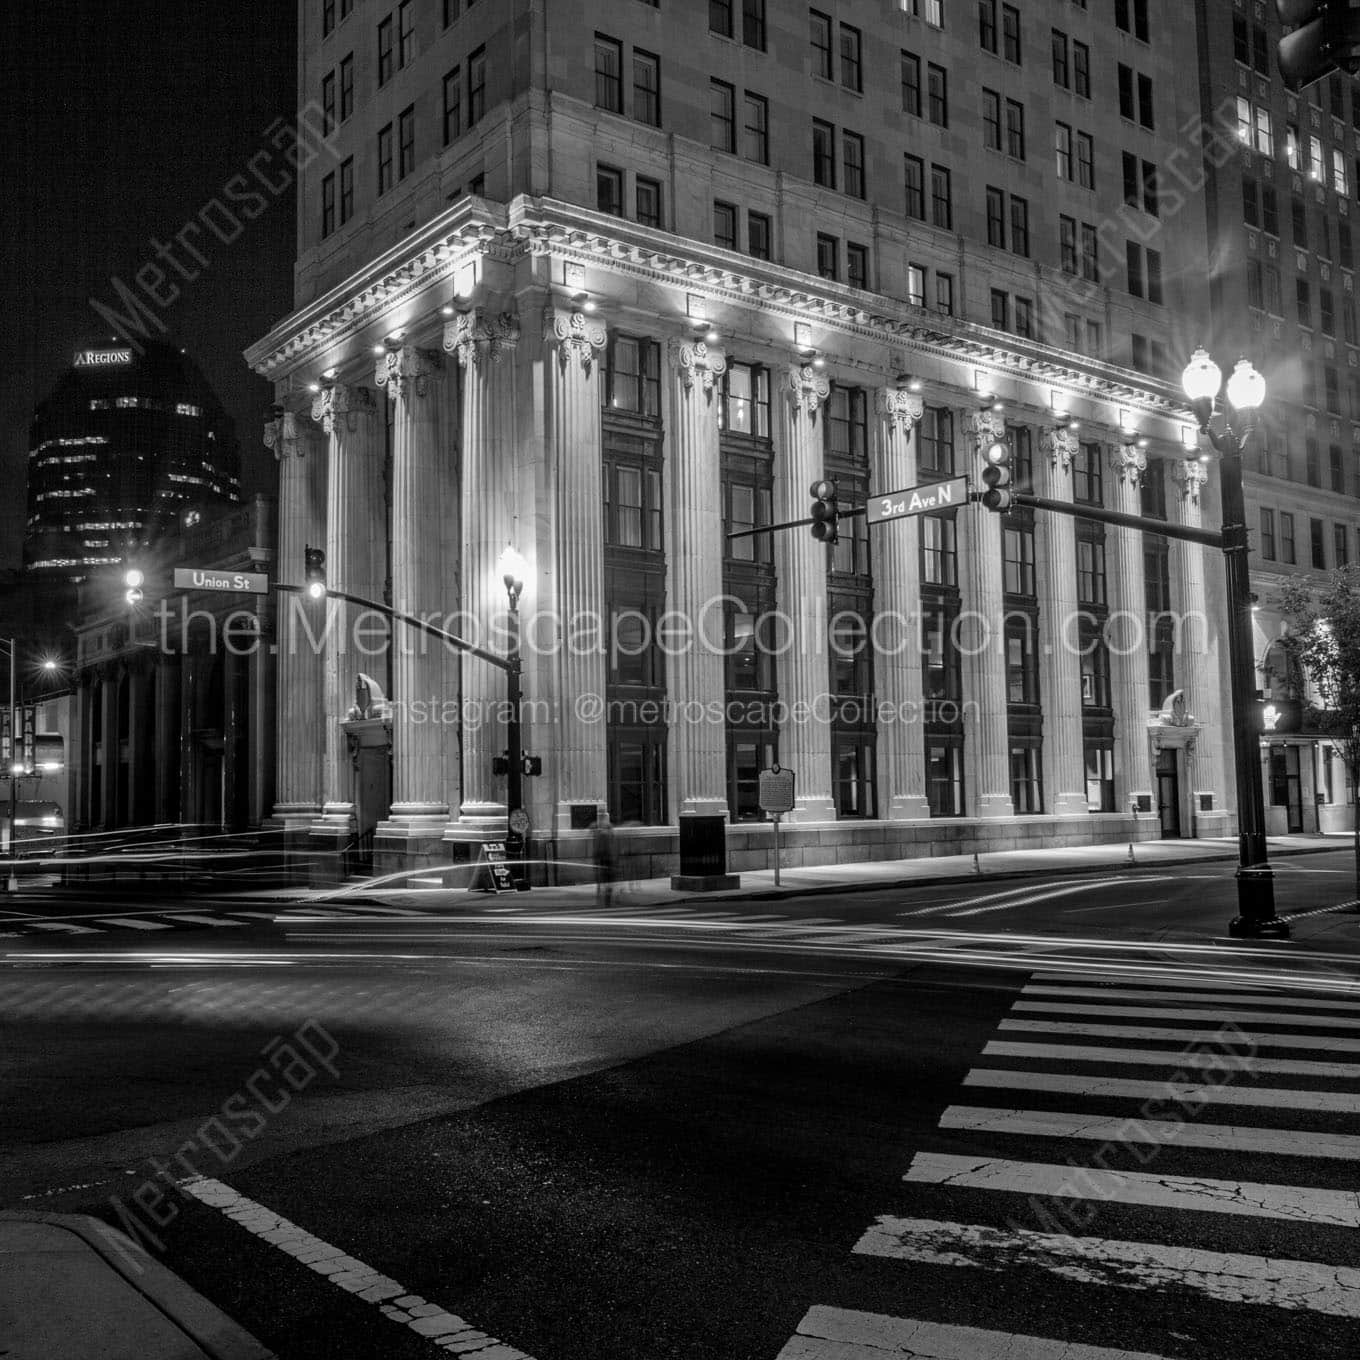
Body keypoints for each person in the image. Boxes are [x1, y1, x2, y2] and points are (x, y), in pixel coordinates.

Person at [592, 818, 618, 907]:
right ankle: (607, 900)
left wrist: (596, 861)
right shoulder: (610, 836)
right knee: (609, 881)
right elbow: (614, 849)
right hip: (608, 861)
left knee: (604, 881)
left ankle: (604, 899)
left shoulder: (602, 835)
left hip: (604, 861)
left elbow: (597, 850)